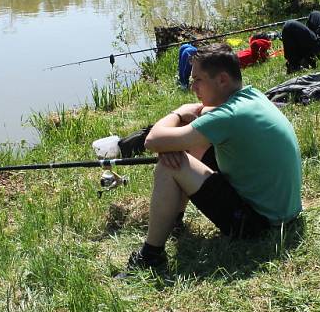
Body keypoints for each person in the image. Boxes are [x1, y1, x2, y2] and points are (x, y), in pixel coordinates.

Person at [122, 43, 302, 273]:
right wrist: (188, 118)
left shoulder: (227, 117)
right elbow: (201, 119)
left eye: (198, 80)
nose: (192, 87)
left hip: (260, 225)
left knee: (168, 165)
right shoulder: (251, 96)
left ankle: (151, 256)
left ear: (222, 80)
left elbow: (153, 141)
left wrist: (178, 112)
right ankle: (173, 220)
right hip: (284, 212)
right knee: (184, 143)